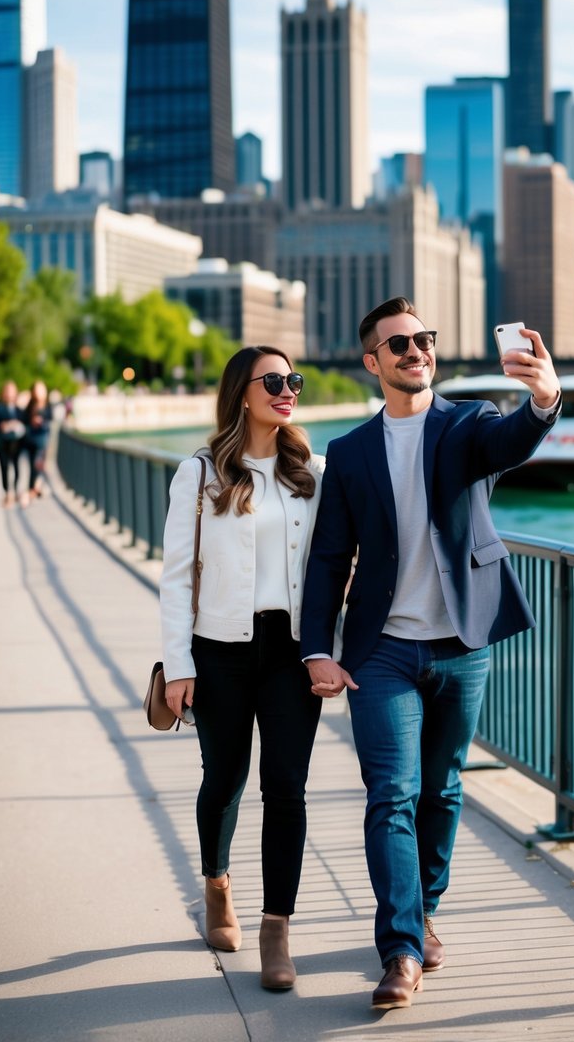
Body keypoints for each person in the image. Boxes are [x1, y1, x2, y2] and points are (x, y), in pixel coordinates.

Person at [300, 297, 561, 1010]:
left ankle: (425, 910)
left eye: (423, 339)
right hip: (380, 651)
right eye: (399, 343)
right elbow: (328, 559)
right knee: (390, 794)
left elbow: (514, 441)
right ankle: (401, 950)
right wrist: (313, 650)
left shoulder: (468, 423)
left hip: (461, 644)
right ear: (373, 361)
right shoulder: (350, 452)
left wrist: (542, 399)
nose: (416, 350)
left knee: (442, 789)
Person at [160, 346, 326, 991]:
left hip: (290, 652)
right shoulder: (198, 474)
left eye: (295, 382)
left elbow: (335, 563)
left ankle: (275, 928)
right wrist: (179, 665)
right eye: (275, 381)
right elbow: (177, 578)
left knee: (286, 787)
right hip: (219, 650)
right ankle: (217, 885)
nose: (288, 391)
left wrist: (331, 647)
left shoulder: (312, 470)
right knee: (224, 779)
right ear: (242, 392)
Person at [0, 380, 27, 508]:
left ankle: (14, 490)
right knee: (4, 468)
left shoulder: (19, 410)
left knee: (16, 467)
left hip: (17, 443)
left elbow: (25, 426)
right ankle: (7, 492)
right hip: (2, 443)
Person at [23, 380, 53, 499]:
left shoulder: (48, 406)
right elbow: (25, 420)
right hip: (31, 439)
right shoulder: (30, 405)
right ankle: (32, 488)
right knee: (32, 465)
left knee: (39, 462)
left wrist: (42, 421)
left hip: (43, 439)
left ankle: (36, 486)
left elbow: (51, 420)